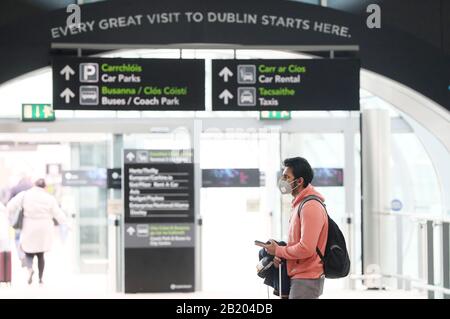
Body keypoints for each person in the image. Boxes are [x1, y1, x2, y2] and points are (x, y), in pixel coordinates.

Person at [260, 157, 328, 299]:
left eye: (286, 177)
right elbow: (297, 243)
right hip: (298, 274)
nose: (282, 180)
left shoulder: (310, 206)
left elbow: (306, 248)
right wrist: (281, 254)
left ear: (299, 181)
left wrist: (278, 250)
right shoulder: (299, 204)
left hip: (307, 277)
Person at [6, 178, 68, 286]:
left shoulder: (24, 195)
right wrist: (66, 223)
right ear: (44, 187)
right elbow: (58, 214)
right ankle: (40, 279)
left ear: (34, 185)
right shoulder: (49, 198)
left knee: (28, 251)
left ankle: (30, 269)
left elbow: (10, 206)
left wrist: (8, 216)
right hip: (44, 228)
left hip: (29, 227)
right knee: (40, 253)